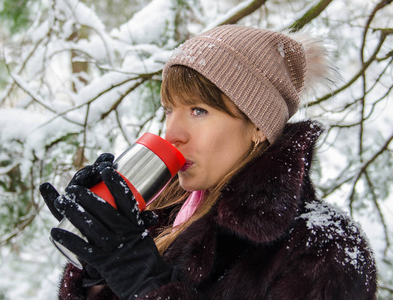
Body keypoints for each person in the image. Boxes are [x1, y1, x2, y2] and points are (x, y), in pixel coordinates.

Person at [40, 25, 377, 299]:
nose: (172, 134)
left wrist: (149, 286)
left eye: (199, 110)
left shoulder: (322, 247)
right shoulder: (157, 224)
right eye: (169, 110)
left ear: (258, 125)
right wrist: (98, 272)